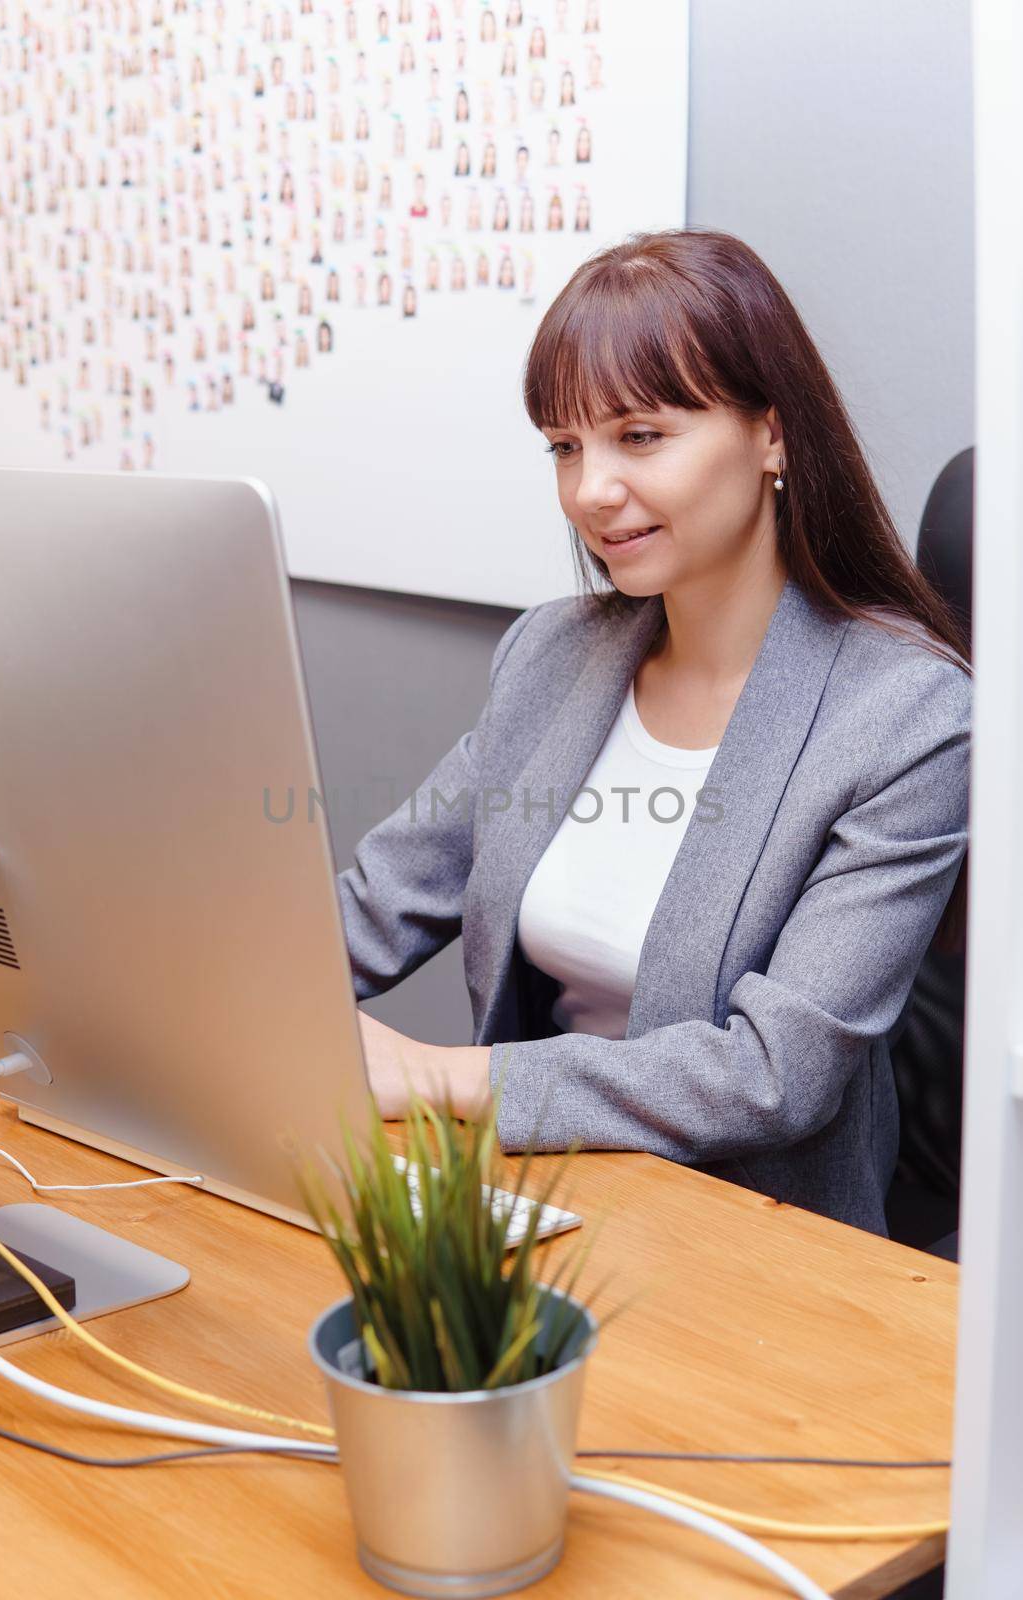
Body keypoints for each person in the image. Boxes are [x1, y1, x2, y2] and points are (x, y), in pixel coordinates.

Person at [335, 228, 971, 1237]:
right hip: (541, 1204)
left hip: (751, 1248)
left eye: (638, 435)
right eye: (564, 445)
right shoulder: (551, 653)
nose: (589, 489)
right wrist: (220, 999)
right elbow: (375, 904)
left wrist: (445, 1077)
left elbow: (774, 1075)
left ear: (770, 434)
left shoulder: (905, 715)